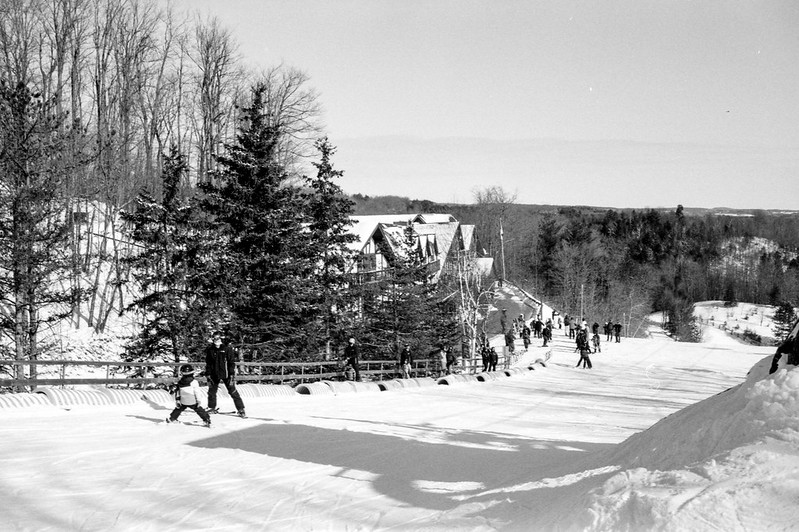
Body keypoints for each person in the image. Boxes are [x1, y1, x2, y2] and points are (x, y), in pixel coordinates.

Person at [204, 331, 246, 417]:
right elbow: (208, 363)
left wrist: (231, 374)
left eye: (218, 338)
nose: (216, 340)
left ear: (221, 339)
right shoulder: (210, 350)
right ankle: (211, 407)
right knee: (211, 392)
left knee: (233, 391)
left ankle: (241, 409)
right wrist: (208, 374)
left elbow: (231, 362)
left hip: (226, 374)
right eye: (214, 338)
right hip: (214, 374)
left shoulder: (227, 348)